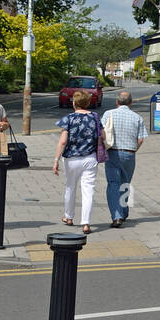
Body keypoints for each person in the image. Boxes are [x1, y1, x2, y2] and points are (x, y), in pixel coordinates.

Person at [53, 89, 100, 233]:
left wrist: (56, 160)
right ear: (87, 103)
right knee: (88, 190)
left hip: (72, 159)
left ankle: (69, 217)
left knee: (70, 187)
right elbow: (102, 136)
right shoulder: (95, 117)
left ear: (74, 103)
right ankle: (86, 223)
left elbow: (62, 142)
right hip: (90, 158)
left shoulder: (69, 119)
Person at [103, 89, 148, 227]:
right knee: (125, 184)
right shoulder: (137, 118)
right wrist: (133, 150)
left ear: (117, 102)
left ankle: (117, 216)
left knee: (113, 184)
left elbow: (102, 133)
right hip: (129, 153)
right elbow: (140, 139)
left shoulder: (108, 114)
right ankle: (124, 211)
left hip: (112, 153)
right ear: (131, 103)